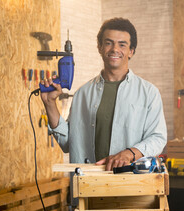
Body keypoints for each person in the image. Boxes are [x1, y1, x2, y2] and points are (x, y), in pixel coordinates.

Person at [40, 17, 167, 171]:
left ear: (131, 52)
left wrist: (130, 154)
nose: (115, 49)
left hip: (133, 185)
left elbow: (158, 138)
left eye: (122, 44)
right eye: (108, 43)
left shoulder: (149, 93)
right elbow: (68, 143)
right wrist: (50, 103)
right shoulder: (82, 94)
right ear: (100, 47)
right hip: (90, 185)